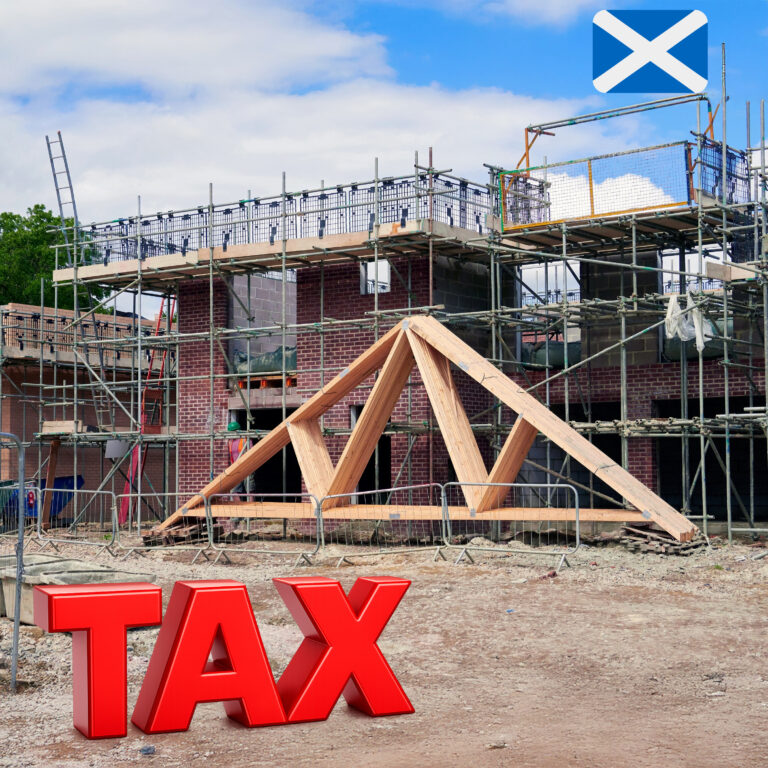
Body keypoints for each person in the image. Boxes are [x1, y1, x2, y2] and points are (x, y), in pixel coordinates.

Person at [227, 421, 252, 499]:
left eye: (232, 432)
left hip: (247, 467)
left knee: (249, 489)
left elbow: (252, 452)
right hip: (236, 468)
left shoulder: (245, 439)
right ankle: (238, 506)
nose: (230, 434)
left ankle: (251, 505)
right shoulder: (230, 441)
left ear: (237, 431)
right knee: (235, 490)